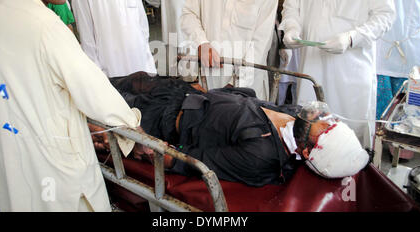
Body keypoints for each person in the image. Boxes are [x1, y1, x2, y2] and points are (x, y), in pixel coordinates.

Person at [0, 0, 151, 212]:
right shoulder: (46, 25)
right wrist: (135, 131)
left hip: (19, 168)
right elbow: (94, 91)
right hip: (61, 176)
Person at [109, 72, 370, 186]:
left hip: (159, 119)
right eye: (331, 121)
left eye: (324, 128)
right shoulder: (296, 118)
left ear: (308, 151)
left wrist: (147, 147)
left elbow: (189, 161)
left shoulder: (260, 156)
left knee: (97, 99)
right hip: (181, 94)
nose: (323, 119)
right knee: (114, 79)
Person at [280, 0, 395, 148]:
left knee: (350, 149)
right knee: (310, 146)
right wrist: (291, 28)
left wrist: (351, 38)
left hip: (351, 81)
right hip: (311, 77)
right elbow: (291, 9)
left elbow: (385, 17)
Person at [277, 0, 317, 106]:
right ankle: (297, 106)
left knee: (286, 75)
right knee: (304, 77)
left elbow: (283, 6)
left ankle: (281, 106)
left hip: (291, 34)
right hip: (309, 37)